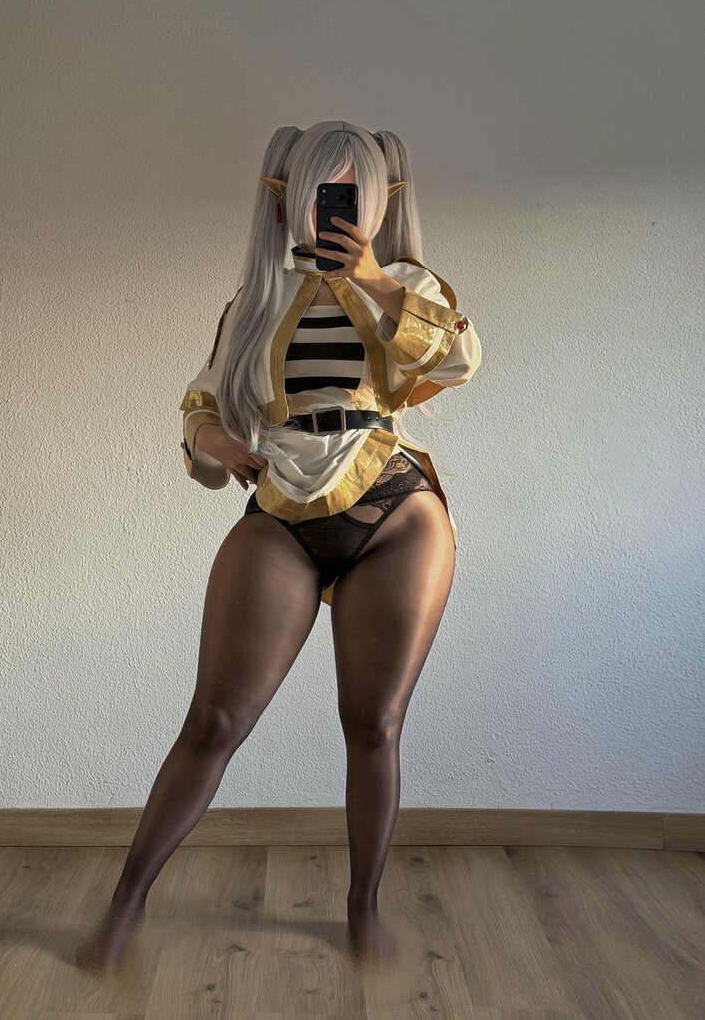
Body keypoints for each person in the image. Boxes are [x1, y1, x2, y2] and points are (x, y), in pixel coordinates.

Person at [75, 120, 482, 973]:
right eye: (323, 190)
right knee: (215, 717)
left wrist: (371, 278)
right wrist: (215, 442)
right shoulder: (257, 300)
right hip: (282, 505)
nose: (340, 206)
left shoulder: (407, 285)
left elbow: (457, 359)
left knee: (374, 722)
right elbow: (201, 400)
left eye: (355, 192)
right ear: (289, 196)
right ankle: (125, 904)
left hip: (394, 506)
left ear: (382, 201)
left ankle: (363, 908)